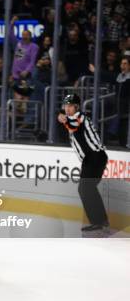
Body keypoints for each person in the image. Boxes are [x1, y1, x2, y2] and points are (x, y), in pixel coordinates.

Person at [57, 94, 109, 237]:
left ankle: (99, 222)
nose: (67, 109)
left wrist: (63, 120)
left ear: (77, 107)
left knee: (85, 188)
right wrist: (64, 120)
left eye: (70, 106)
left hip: (95, 156)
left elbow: (74, 127)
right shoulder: (72, 119)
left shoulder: (80, 117)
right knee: (86, 188)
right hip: (91, 158)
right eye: (65, 106)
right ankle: (100, 221)